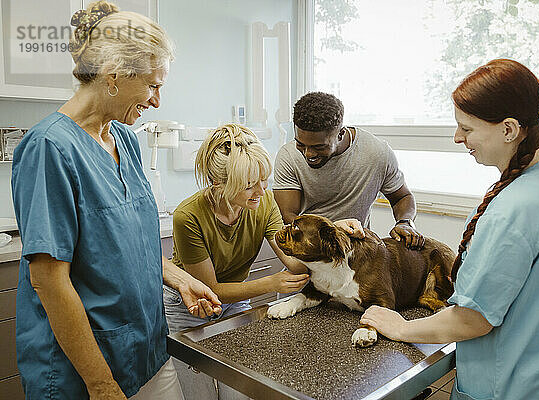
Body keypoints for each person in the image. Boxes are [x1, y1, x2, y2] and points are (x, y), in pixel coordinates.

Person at [11, 2, 221, 399]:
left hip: (146, 349)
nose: (157, 101)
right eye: (153, 85)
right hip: (85, 370)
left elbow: (124, 243)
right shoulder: (49, 148)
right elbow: (49, 281)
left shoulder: (124, 138)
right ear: (113, 77)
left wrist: (180, 278)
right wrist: (102, 385)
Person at [360, 59, 539, 399]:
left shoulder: (514, 209)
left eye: (467, 128)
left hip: (515, 386)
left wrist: (401, 327)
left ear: (509, 129)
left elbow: (473, 320)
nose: (458, 138)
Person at [163, 123, 361, 399]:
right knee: (201, 394)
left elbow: (293, 263)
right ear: (220, 184)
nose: (260, 190)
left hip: (236, 302)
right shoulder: (189, 217)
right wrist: (271, 283)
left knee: (240, 391)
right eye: (248, 185)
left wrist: (334, 234)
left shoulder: (264, 202)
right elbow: (211, 289)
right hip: (190, 306)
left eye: (263, 180)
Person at [273, 91, 424, 249]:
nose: (308, 153)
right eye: (301, 144)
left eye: (319, 147)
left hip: (359, 252)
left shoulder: (377, 153)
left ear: (340, 134)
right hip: (311, 252)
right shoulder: (288, 156)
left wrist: (405, 222)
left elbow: (402, 197)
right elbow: (288, 216)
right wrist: (333, 231)